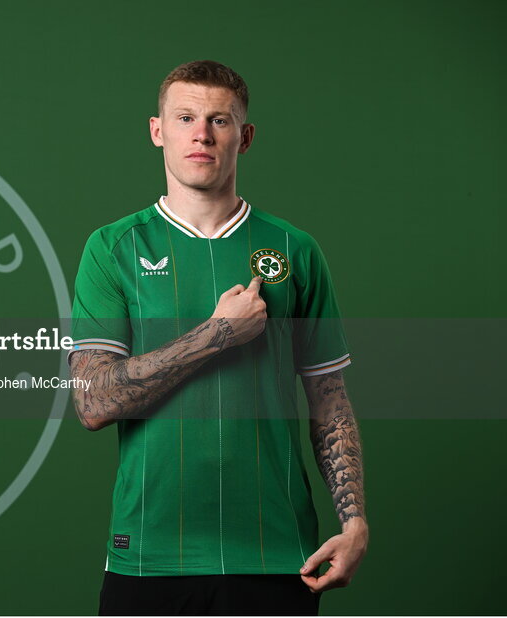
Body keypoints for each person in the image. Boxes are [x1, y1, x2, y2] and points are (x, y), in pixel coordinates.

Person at [68, 60, 367, 616]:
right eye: (185, 118)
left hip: (277, 555)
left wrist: (354, 523)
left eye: (219, 120)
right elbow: (93, 402)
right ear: (158, 131)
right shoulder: (113, 248)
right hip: (150, 554)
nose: (201, 134)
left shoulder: (296, 250)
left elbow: (329, 400)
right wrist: (217, 333)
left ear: (244, 137)